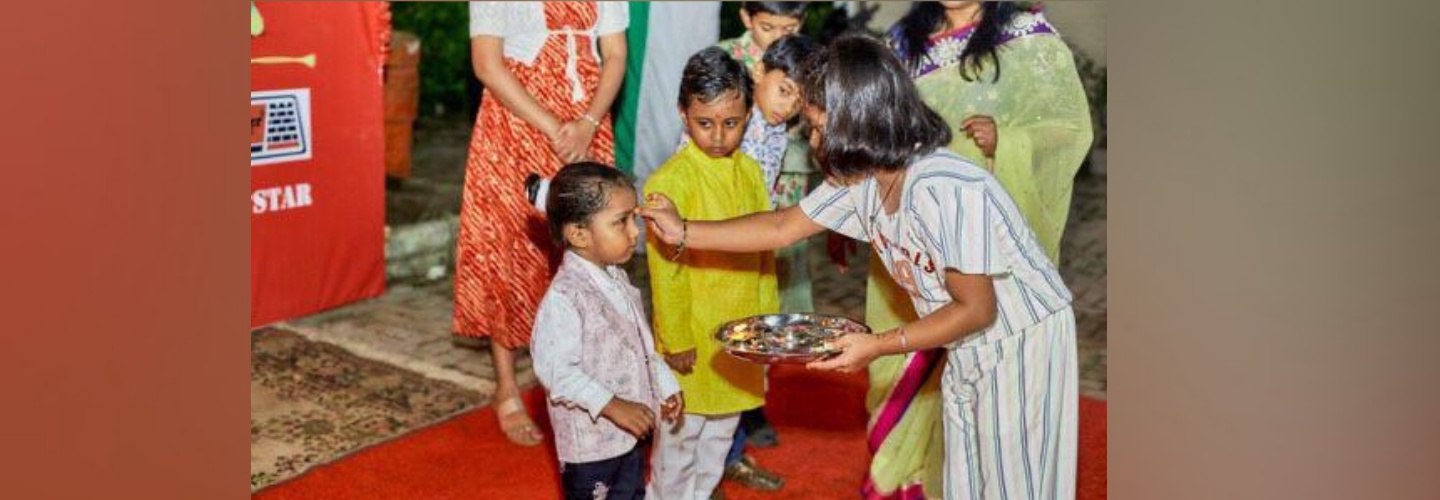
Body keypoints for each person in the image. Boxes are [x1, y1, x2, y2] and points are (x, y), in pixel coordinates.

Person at [640, 34, 1079, 500]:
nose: (812, 140)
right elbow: (781, 227)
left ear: (856, 118)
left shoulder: (947, 186)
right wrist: (683, 230)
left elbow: (977, 309)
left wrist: (879, 345)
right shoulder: (862, 177)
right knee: (966, 478)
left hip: (1020, 343)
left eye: (817, 126)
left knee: (1015, 482)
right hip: (963, 341)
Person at [849, 5, 1093, 496]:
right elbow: (872, 125)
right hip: (910, 229)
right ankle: (913, 473)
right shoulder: (901, 42)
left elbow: (1071, 129)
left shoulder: (1028, 37)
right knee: (914, 349)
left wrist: (1009, 141)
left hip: (980, 238)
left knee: (987, 392)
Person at [454, 1, 628, 447]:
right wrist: (554, 127)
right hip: (516, 120)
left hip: (587, 117)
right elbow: (487, 65)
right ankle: (507, 388)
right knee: (507, 247)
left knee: (587, 247)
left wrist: (587, 123)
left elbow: (615, 54)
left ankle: (579, 374)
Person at [644, 47, 782, 500]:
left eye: (732, 122)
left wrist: (767, 326)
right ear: (684, 114)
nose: (720, 136)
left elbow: (765, 250)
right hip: (695, 337)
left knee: (721, 435)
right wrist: (676, 338)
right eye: (706, 123)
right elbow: (665, 270)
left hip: (740, 333)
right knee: (680, 439)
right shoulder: (670, 182)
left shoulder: (751, 173)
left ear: (748, 114)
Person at [527, 164, 684, 500]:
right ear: (579, 234)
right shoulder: (564, 297)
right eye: (621, 222)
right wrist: (613, 406)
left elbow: (642, 345)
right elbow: (557, 371)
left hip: (631, 436)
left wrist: (665, 383)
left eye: (634, 220)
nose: (635, 233)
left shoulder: (618, 278)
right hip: (592, 448)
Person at [715, 0, 813, 455]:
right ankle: (734, 416)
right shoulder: (724, 61)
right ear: (746, 18)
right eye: (767, 26)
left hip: (784, 202)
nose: (776, 37)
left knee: (768, 308)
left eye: (788, 27)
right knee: (729, 313)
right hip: (732, 216)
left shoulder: (804, 64)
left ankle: (749, 400)